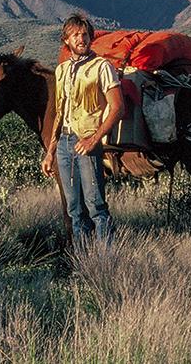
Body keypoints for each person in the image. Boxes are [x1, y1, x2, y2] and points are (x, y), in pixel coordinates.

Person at [42, 13, 123, 249]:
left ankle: (105, 261)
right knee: (74, 208)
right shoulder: (62, 70)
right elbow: (59, 112)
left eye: (85, 34)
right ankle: (81, 260)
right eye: (76, 34)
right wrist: (50, 152)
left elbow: (117, 107)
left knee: (95, 205)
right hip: (64, 144)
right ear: (66, 40)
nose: (81, 38)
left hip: (86, 141)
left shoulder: (102, 67)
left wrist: (94, 139)